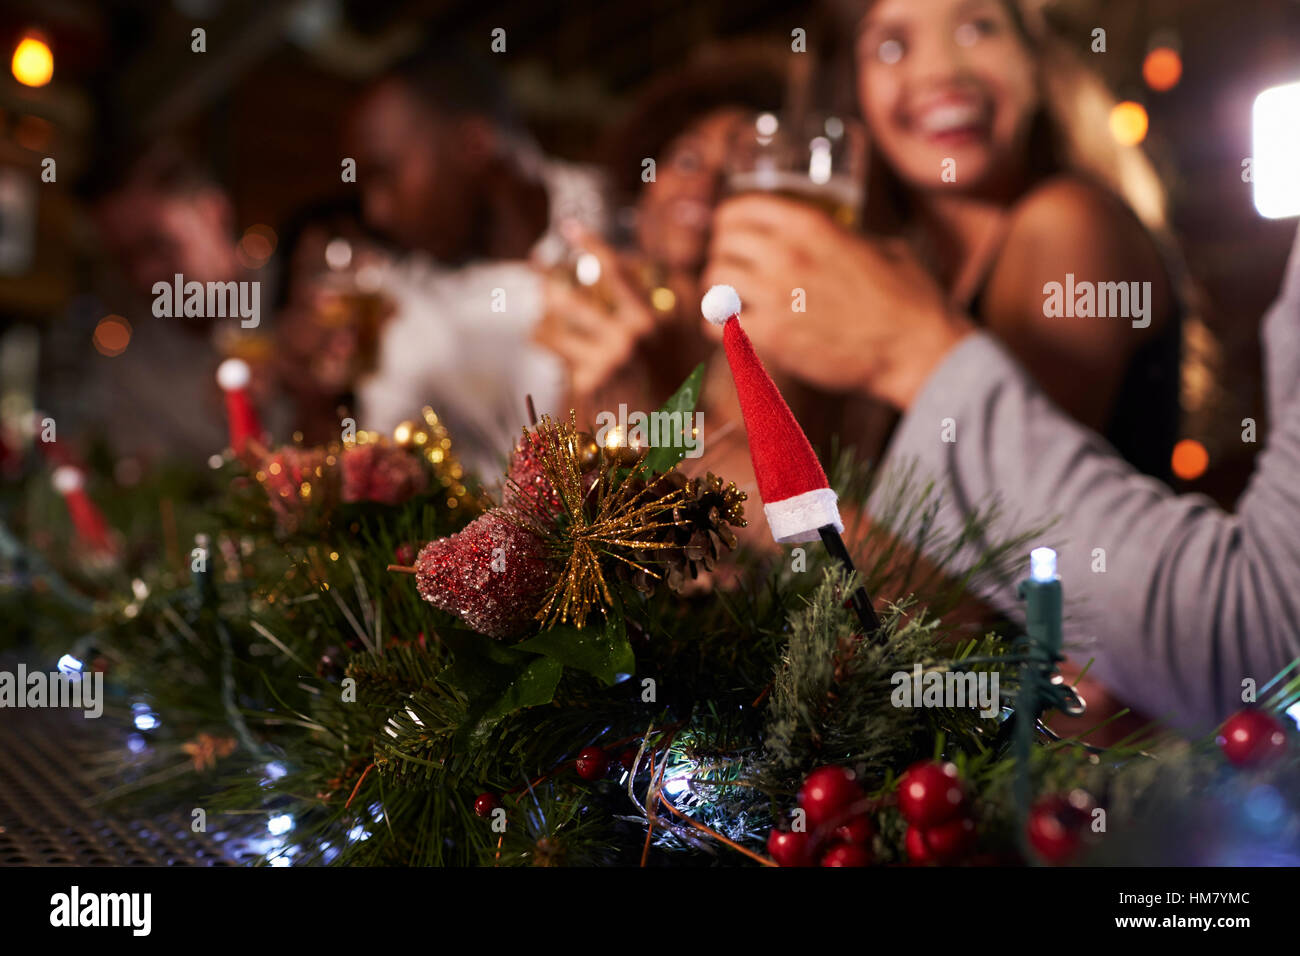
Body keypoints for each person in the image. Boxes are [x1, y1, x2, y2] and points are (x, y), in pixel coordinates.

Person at [704, 0, 1188, 535]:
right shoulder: (903, 272)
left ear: (1034, 62)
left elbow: (954, 583)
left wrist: (705, 470)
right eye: (890, 45)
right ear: (853, 88)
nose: (941, 70)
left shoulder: (1069, 223)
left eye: (978, 27)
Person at [345, 43, 605, 478]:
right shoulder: (401, 300)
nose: (376, 211)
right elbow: (383, 464)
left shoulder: (621, 221)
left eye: (384, 175)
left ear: (473, 144)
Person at [532, 44, 787, 426]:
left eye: (737, 171)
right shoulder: (575, 303)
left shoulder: (772, 342)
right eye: (687, 159)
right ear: (643, 185)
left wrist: (656, 412)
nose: (705, 183)